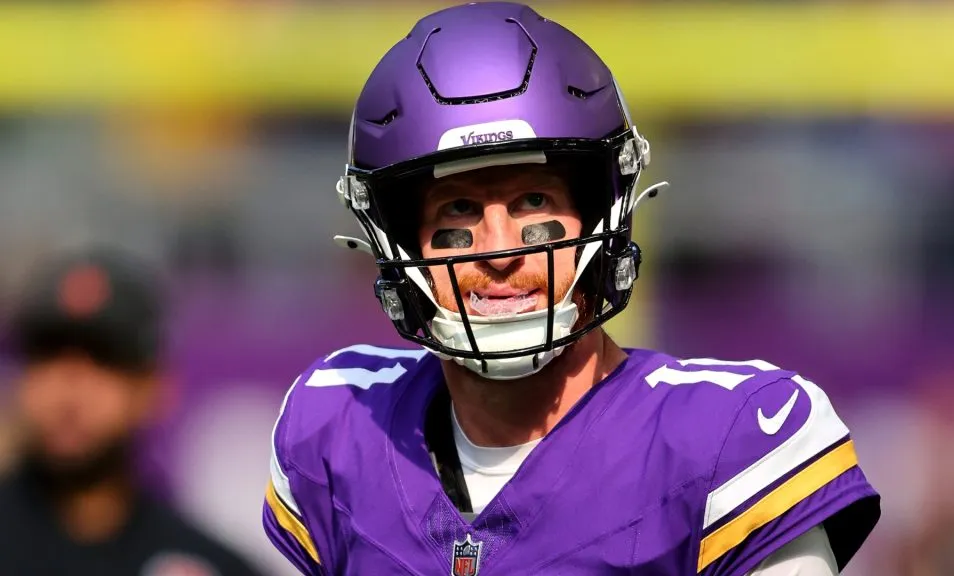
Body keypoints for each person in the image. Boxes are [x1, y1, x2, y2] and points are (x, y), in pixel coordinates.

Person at [262, 3, 881, 575]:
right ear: (397, 239)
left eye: (534, 200)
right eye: (458, 210)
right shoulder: (339, 430)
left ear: (600, 214)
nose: (500, 249)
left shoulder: (724, 441)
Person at [0, 248, 267, 576]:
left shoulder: (209, 564)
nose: (68, 392)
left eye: (101, 359)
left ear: (155, 388)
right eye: (47, 356)